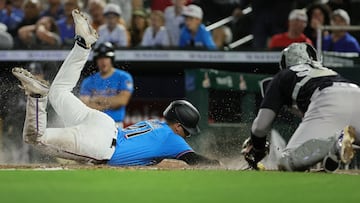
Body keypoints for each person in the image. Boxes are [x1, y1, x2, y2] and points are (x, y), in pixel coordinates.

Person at [12, 9, 219, 167]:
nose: (187, 135)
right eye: (187, 131)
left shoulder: (156, 123)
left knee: (59, 92)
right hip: (101, 145)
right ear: (178, 126)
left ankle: (83, 45)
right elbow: (201, 162)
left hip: (102, 123)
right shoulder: (174, 138)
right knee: (35, 137)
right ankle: (37, 97)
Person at [241, 42, 360, 172]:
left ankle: (334, 144)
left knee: (286, 162)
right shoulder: (328, 72)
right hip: (355, 91)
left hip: (327, 98)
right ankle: (333, 151)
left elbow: (260, 126)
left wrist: (258, 146)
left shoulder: (284, 75)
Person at [79, 42, 133, 128]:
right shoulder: (88, 81)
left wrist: (97, 99)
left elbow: (122, 101)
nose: (103, 61)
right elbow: (84, 106)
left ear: (111, 59)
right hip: (94, 124)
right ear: (96, 60)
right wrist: (110, 103)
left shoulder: (124, 77)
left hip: (115, 124)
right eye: (100, 58)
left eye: (106, 58)